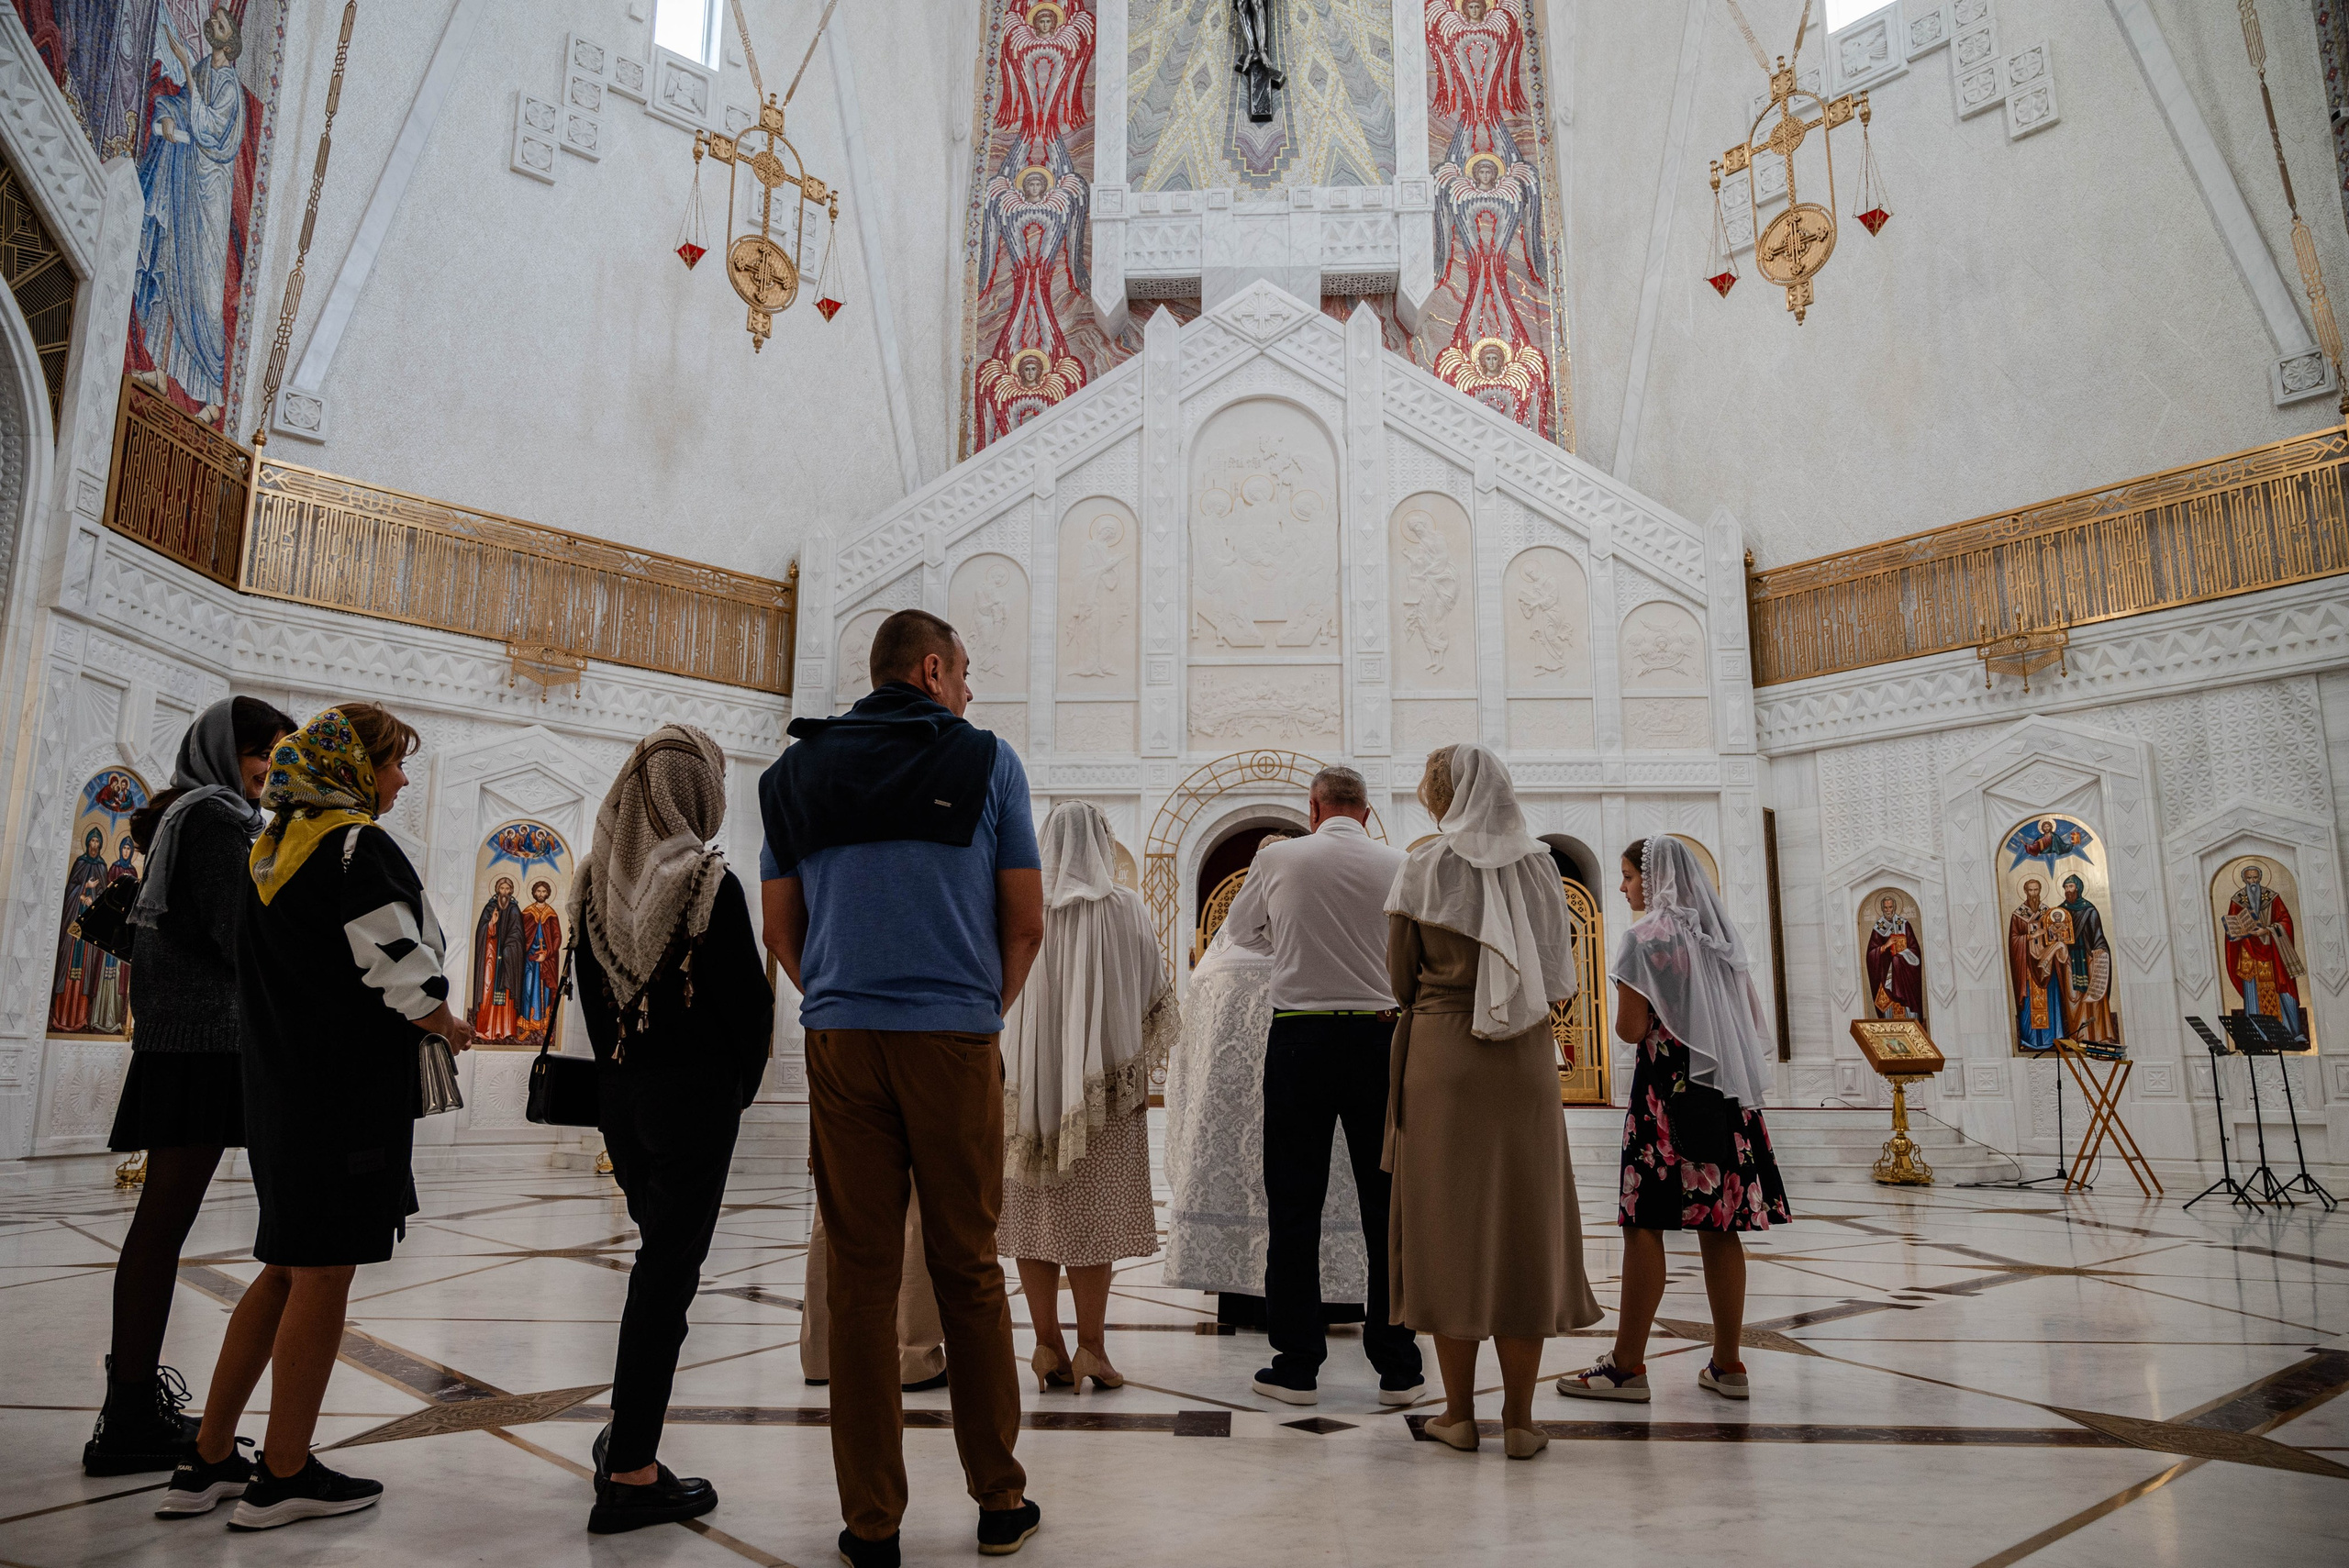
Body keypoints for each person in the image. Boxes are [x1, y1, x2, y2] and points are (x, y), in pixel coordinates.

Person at [762, 608, 1044, 1567]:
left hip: (841, 1037)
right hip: (953, 1035)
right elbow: (1027, 920)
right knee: (966, 1267)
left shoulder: (792, 771)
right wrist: (977, 1006)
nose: (969, 690)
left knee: (860, 1277)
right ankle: (998, 1498)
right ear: (931, 668)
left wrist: (841, 995)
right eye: (964, 671)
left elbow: (780, 924)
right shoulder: (989, 760)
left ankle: (871, 1521)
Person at [166, 704, 473, 1529]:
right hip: (342, 1100)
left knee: (285, 1264)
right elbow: (396, 961)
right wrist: (445, 1021)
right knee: (324, 1272)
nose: (402, 778)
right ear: (354, 766)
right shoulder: (354, 844)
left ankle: (207, 1457)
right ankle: (286, 1471)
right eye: (393, 762)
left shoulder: (272, 848)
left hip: (280, 1094)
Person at [83, 696, 295, 1477]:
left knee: (162, 1222)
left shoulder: (202, 814)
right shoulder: (213, 820)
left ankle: (133, 1405)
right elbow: (243, 931)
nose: (271, 772)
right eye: (265, 755)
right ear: (224, 752)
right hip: (203, 1046)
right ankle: (130, 1412)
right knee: (164, 1221)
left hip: (192, 1044)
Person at [571, 726, 772, 1534]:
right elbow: (748, 1012)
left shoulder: (591, 883)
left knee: (657, 1267)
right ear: (694, 792)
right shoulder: (707, 883)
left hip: (621, 1103)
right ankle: (632, 1469)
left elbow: (590, 1002)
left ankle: (626, 1435)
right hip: (692, 1106)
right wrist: (732, 1093)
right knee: (666, 1281)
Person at [1386, 746, 1599, 1456]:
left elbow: (1400, 978)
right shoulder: (1539, 865)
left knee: (1449, 1226)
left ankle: (1456, 1413)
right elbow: (1557, 972)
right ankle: (1520, 1419)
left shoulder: (1423, 865)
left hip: (1443, 1053)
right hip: (1525, 1061)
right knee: (1522, 1226)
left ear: (1441, 794)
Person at [1218, 767, 1425, 1407]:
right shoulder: (1400, 862)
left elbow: (1240, 931)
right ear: (1366, 810)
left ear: (1314, 807)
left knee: (1295, 1197)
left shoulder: (1280, 856)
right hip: (1378, 1038)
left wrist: (1297, 943)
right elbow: (1412, 950)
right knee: (1384, 1200)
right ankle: (1397, 1363)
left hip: (1301, 1037)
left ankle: (1298, 1362)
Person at [1558, 837, 1790, 1407]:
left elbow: (1632, 1030)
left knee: (1644, 1225)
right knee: (1721, 1228)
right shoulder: (1718, 939)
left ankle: (1627, 1366)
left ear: (1654, 878)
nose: (1623, 887)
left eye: (1629, 876)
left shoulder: (1646, 939)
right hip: (1722, 1096)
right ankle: (1729, 1363)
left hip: (1665, 1098)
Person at [1000, 803, 1179, 1392]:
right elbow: (1155, 998)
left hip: (1026, 1094)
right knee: (1091, 1222)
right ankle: (1092, 1350)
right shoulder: (1126, 908)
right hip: (1103, 1097)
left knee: (1034, 1218)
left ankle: (1046, 1346)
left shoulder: (1019, 909)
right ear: (1103, 845)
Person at [1163, 837, 1373, 1323]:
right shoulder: (1328, 947)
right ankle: (1332, 1303)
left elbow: (1191, 1049)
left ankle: (1254, 1302)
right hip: (1319, 1081)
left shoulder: (1222, 956)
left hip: (1237, 1113)